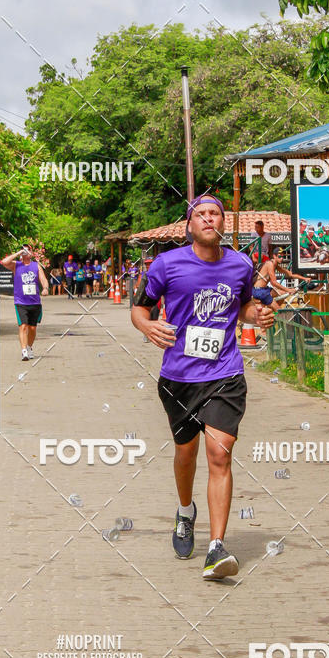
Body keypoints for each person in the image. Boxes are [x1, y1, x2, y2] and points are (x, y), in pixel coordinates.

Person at [131, 195, 274, 580]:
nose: (209, 219)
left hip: (226, 374)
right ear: (190, 225)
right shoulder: (167, 264)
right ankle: (184, 511)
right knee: (186, 453)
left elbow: (242, 307)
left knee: (219, 455)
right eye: (202, 214)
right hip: (179, 378)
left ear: (223, 224)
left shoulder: (241, 264)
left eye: (216, 214)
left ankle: (217, 547)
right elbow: (139, 308)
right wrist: (147, 326)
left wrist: (256, 314)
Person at [2, 246, 49, 361]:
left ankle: (29, 347)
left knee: (32, 328)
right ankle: (24, 351)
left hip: (34, 302)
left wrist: (45, 288)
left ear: (31, 253)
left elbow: (43, 279)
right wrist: (18, 253)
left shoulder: (36, 266)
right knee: (23, 326)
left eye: (27, 250)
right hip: (20, 302)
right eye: (24, 250)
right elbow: (4, 262)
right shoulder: (16, 265)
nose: (25, 252)